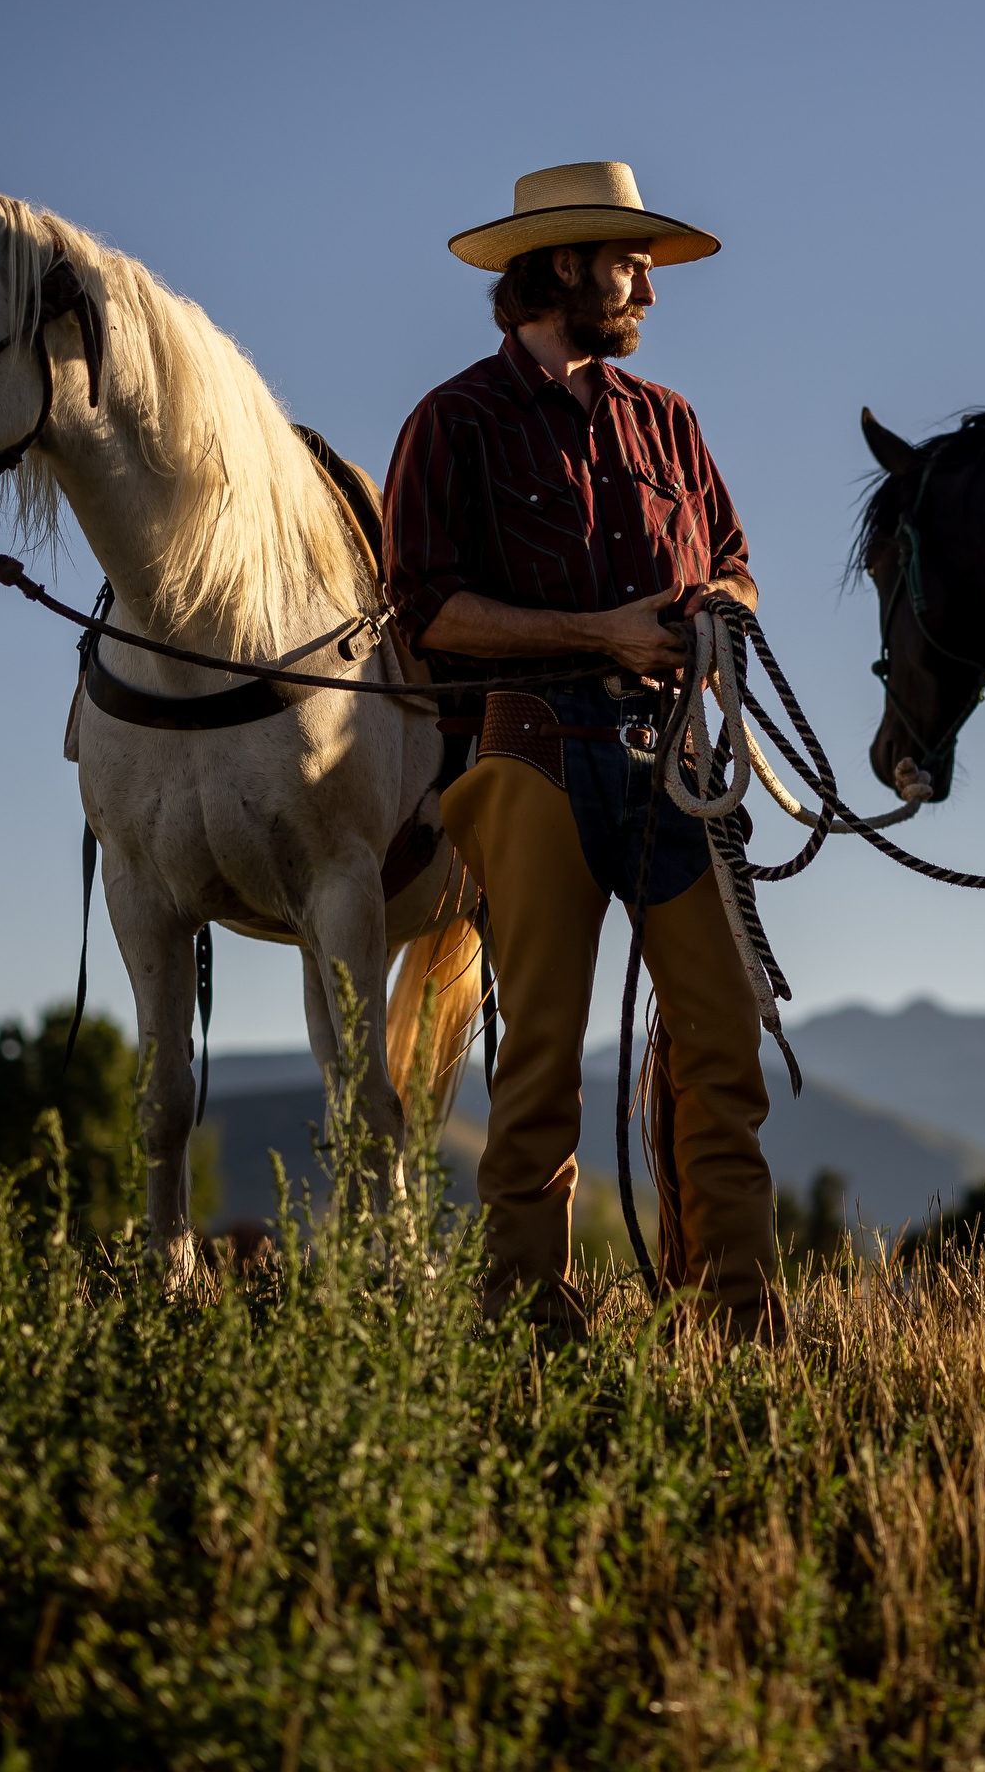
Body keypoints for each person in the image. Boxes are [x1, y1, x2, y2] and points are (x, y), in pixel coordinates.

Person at [382, 161, 781, 1340]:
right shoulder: (452, 421)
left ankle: (738, 1318)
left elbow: (742, 563)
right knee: (540, 1054)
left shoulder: (671, 423)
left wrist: (718, 604)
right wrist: (598, 630)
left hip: (673, 761)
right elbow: (429, 611)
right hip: (529, 754)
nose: (647, 281)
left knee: (724, 1032)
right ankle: (526, 1320)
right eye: (628, 259)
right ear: (563, 267)